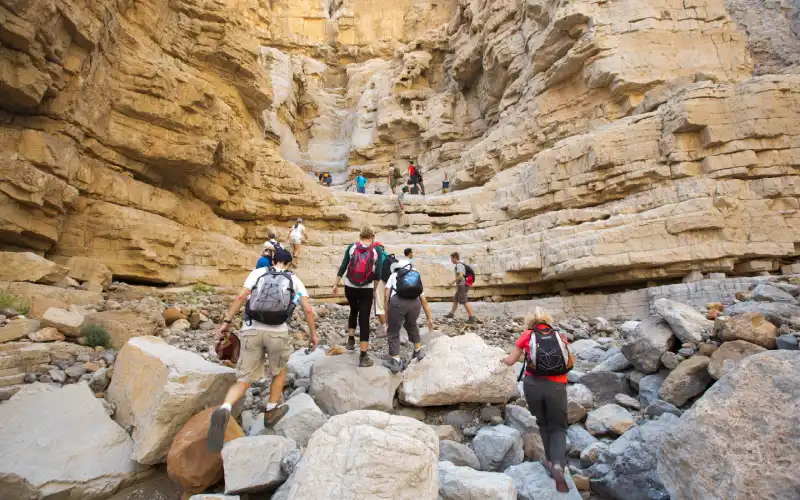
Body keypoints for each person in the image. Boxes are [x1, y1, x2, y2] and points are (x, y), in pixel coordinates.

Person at [207, 250, 317, 452]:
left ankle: (225, 408)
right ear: (290, 264)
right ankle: (271, 410)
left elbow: (241, 296)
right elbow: (307, 310)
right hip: (278, 333)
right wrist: (313, 335)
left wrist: (226, 322)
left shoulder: (257, 274)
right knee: (279, 370)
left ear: (272, 260)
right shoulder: (295, 281)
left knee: (244, 379)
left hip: (251, 329)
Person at [502, 308, 572, 493]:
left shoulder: (527, 335)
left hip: (532, 385)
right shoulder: (560, 336)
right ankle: (558, 465)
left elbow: (510, 360)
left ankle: (549, 461)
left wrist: (500, 360)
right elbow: (569, 363)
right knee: (558, 426)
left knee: (543, 423)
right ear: (547, 319)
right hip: (556, 386)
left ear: (529, 320)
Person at [332, 226, 385, 367]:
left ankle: (350, 341)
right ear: (372, 237)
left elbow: (343, 266)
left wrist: (335, 284)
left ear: (360, 235)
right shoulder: (377, 250)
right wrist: (373, 289)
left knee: (353, 311)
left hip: (350, 286)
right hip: (366, 288)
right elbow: (378, 273)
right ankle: (363, 356)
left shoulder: (352, 247)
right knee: (364, 319)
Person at [382, 260, 433, 373]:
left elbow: (386, 295)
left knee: (393, 331)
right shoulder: (414, 277)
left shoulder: (394, 275)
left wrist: (386, 314)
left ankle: (395, 362)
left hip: (398, 304)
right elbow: (423, 300)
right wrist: (429, 318)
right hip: (415, 304)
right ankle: (418, 351)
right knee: (411, 325)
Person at [444, 252, 475, 322]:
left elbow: (460, 276)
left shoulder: (459, 265)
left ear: (455, 258)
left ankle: (471, 317)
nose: (451, 260)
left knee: (464, 301)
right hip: (461, 285)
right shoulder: (459, 265)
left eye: (451, 258)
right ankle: (451, 314)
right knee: (456, 299)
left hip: (462, 285)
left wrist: (452, 282)